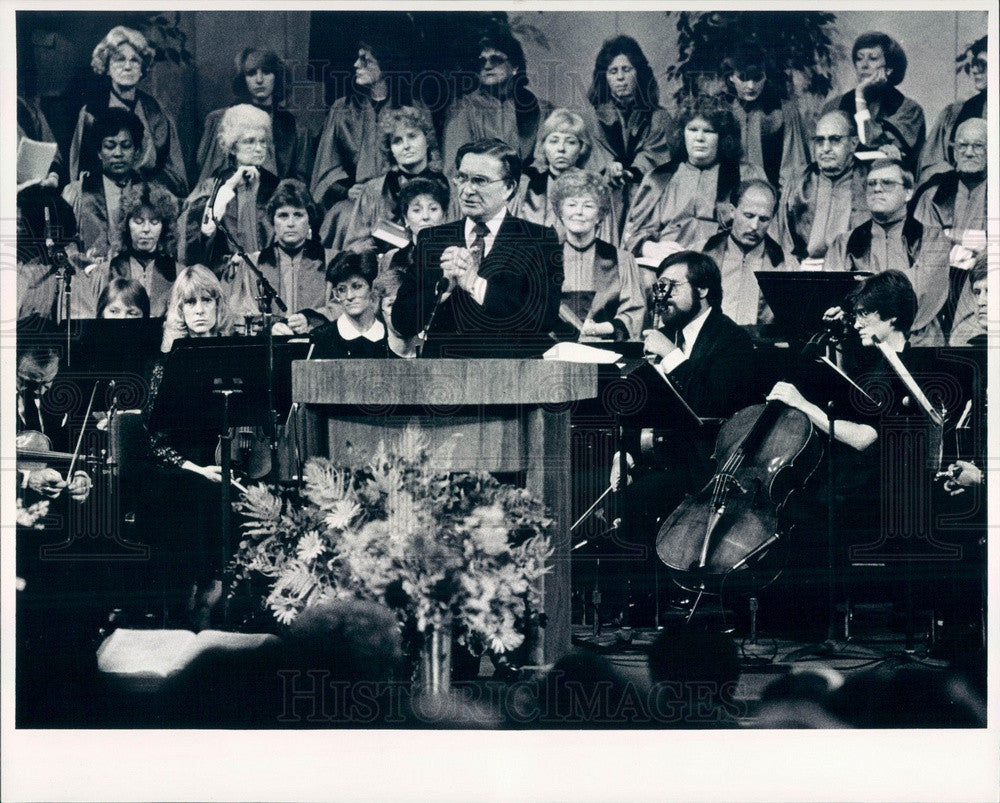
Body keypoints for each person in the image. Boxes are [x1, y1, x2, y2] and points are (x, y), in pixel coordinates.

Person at [609, 252, 758, 620]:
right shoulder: (671, 336)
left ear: (703, 289)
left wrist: (672, 358)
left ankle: (644, 605)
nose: (662, 296)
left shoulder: (731, 340)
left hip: (709, 467)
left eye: (672, 286)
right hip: (665, 457)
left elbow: (713, 406)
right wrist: (624, 453)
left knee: (640, 496)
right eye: (658, 287)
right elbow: (650, 407)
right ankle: (632, 603)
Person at [391, 138, 563, 358]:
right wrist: (440, 290)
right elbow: (401, 322)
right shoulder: (432, 239)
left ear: (509, 187)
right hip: (444, 379)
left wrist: (475, 284)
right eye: (462, 178)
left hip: (511, 379)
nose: (467, 190)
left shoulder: (539, 240)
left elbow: (542, 319)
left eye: (480, 181)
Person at [144, 265, 235, 628]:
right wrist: (197, 469)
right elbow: (153, 439)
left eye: (206, 300)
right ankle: (193, 605)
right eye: (190, 302)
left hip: (225, 460)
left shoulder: (235, 355)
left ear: (218, 305)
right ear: (179, 311)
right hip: (180, 469)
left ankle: (219, 600)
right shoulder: (166, 366)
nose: (199, 309)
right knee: (194, 494)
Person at [311, 40, 420, 248]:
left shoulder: (412, 108)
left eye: (365, 60)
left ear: (386, 65)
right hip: (356, 201)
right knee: (342, 219)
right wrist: (346, 190)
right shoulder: (343, 109)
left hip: (401, 200)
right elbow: (326, 165)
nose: (356, 65)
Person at [825, 158, 946, 345]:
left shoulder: (932, 238)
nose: (877, 188)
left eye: (887, 183)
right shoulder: (844, 243)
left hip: (917, 342)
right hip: (859, 342)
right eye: (871, 184)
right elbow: (836, 296)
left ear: (908, 192)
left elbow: (920, 294)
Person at [69, 25, 187, 197]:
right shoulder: (91, 112)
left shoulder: (156, 112)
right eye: (119, 59)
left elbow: (173, 173)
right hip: (101, 200)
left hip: (147, 199)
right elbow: (80, 170)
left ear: (142, 69)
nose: (127, 66)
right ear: (106, 67)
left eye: (134, 60)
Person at [621, 94, 741, 261]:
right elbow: (631, 236)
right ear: (682, 133)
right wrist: (649, 248)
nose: (699, 138)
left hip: (721, 265)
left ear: (723, 137)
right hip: (664, 266)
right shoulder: (659, 178)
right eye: (692, 130)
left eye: (709, 131)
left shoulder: (742, 175)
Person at [585, 35, 673, 239]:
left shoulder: (659, 117)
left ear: (639, 73)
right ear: (604, 77)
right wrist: (609, 167)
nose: (620, 77)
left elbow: (658, 155)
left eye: (627, 69)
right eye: (613, 71)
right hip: (604, 201)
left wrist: (632, 171)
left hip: (646, 201)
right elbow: (589, 156)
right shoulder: (590, 119)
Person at [225, 178, 338, 336]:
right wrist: (269, 326)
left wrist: (311, 319)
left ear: (309, 220)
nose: (290, 223)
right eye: (283, 216)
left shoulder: (332, 260)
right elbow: (239, 312)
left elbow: (343, 305)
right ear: (273, 221)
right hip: (269, 349)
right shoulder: (253, 264)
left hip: (319, 346)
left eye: (298, 215)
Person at [178, 104, 278, 279]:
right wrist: (228, 187)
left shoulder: (277, 187)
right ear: (232, 147)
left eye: (262, 141)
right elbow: (198, 234)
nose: (258, 148)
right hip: (225, 276)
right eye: (249, 141)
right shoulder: (213, 186)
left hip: (269, 274)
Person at [911, 118, 987, 346]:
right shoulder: (933, 193)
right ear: (953, 150)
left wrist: (951, 236)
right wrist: (977, 241)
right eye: (962, 146)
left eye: (978, 146)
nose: (969, 152)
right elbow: (924, 244)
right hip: (940, 280)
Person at [341, 105, 453, 254]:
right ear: (390, 149)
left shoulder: (450, 187)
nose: (406, 146)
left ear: (427, 140)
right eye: (397, 141)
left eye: (412, 136)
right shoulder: (373, 190)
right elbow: (355, 245)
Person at [550, 168, 645, 342]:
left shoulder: (622, 260)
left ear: (599, 215)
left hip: (606, 349)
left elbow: (633, 315)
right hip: (554, 351)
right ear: (560, 213)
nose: (579, 212)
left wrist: (595, 330)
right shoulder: (545, 259)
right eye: (571, 204)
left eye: (588, 205)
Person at [195, 47, 313, 186]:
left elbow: (299, 180)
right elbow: (209, 175)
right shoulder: (220, 120)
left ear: (277, 76)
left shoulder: (295, 127)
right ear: (242, 79)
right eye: (251, 73)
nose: (259, 80)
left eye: (267, 72)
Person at [441, 29, 552, 175]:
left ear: (515, 66)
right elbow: (455, 169)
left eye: (496, 59)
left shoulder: (542, 109)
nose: (487, 66)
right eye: (481, 61)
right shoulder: (464, 110)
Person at [774, 110, 869, 268]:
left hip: (853, 275)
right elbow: (782, 239)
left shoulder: (870, 183)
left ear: (853, 143)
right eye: (819, 140)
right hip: (803, 273)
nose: (825, 148)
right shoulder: (798, 183)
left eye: (835, 140)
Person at [822, 31, 925, 175]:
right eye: (859, 59)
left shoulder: (909, 109)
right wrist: (860, 93)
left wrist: (860, 95)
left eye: (873, 58)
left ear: (889, 69)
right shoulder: (834, 106)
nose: (863, 65)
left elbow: (869, 142)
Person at [512, 109, 618, 243]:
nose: (561, 148)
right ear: (543, 146)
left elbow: (606, 242)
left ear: (582, 148)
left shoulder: (595, 188)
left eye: (570, 142)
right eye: (554, 141)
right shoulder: (526, 185)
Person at [81, 181, 179, 318]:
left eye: (154, 222)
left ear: (164, 226)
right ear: (126, 224)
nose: (146, 229)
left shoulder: (179, 274)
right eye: (138, 221)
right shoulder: (104, 272)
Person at [718, 43, 808, 191]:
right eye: (743, 78)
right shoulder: (720, 110)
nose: (751, 86)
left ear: (766, 75)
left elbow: (794, 168)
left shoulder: (784, 111)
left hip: (771, 199)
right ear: (731, 77)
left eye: (757, 77)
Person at [701, 178, 788, 327]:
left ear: (772, 218)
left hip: (761, 347)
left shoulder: (786, 264)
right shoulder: (701, 254)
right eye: (748, 216)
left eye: (764, 219)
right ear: (732, 211)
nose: (754, 226)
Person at [62, 107, 144, 259]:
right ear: (99, 152)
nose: (118, 154)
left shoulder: (148, 193)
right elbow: (64, 243)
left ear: (137, 151)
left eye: (126, 146)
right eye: (110, 146)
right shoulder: (76, 193)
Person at [920, 36, 987, 183]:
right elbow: (931, 164)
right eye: (972, 65)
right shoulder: (955, 113)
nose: (975, 70)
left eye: (982, 64)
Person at [309, 252, 390, 359]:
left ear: (371, 288)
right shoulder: (321, 337)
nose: (349, 296)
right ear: (336, 293)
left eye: (357, 286)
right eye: (342, 289)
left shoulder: (389, 335)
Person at [378, 176, 451, 278]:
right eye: (417, 210)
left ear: (444, 216)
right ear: (406, 219)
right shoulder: (393, 258)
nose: (425, 217)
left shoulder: (454, 255)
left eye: (433, 209)